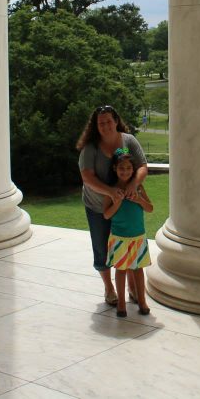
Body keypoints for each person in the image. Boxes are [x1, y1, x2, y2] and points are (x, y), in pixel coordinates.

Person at [77, 104, 148, 306]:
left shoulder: (128, 141)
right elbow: (87, 177)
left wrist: (133, 185)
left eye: (109, 121)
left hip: (125, 207)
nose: (105, 125)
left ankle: (133, 288)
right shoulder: (90, 148)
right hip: (97, 206)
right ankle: (109, 288)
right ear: (96, 126)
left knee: (128, 245)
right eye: (101, 123)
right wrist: (110, 191)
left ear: (116, 121)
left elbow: (142, 166)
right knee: (102, 247)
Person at [103, 148, 153, 317]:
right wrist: (117, 202)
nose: (125, 171)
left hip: (138, 237)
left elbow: (150, 208)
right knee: (121, 270)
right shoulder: (111, 190)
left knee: (138, 269)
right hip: (119, 238)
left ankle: (142, 301)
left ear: (133, 169)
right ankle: (121, 304)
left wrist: (139, 199)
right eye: (121, 168)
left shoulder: (138, 188)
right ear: (115, 169)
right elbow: (106, 214)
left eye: (129, 168)